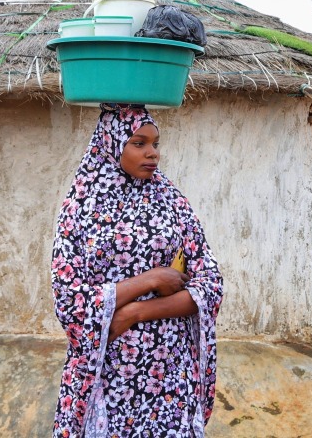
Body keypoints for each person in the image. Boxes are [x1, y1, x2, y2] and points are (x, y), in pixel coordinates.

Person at [50, 104, 223, 437]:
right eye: (139, 143)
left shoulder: (172, 201)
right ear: (111, 143)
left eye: (155, 144)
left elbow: (210, 285)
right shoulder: (80, 208)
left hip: (168, 374)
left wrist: (135, 313)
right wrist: (151, 279)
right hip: (108, 371)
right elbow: (68, 301)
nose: (152, 153)